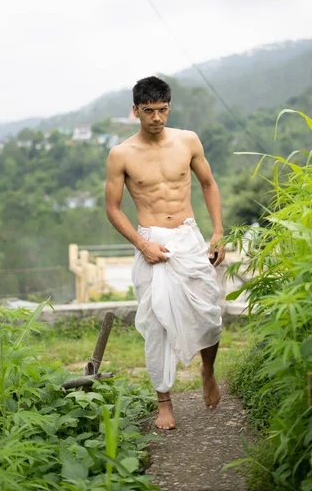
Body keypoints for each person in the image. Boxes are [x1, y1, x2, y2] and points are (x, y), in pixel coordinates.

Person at [105, 76, 225, 430]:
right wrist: (143, 245)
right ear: (135, 110)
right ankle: (165, 404)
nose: (156, 118)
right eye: (148, 111)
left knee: (209, 312)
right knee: (156, 324)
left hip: (189, 235)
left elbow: (208, 183)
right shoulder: (121, 154)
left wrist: (217, 232)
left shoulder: (187, 141)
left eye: (162, 110)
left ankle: (208, 371)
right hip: (151, 239)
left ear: (169, 107)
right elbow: (113, 208)